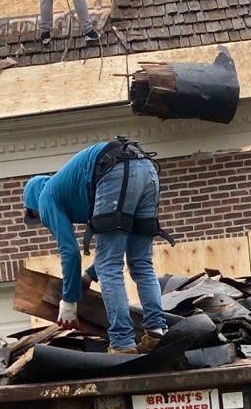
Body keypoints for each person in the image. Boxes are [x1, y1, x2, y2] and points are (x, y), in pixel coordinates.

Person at [23, 138, 171, 354]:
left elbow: (70, 252)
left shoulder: (45, 198)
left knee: (110, 266)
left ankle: (122, 343)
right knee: (141, 263)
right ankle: (157, 332)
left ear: (32, 205)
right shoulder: (74, 189)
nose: (41, 219)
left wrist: (69, 300)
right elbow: (118, 239)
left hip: (113, 170)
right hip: (145, 168)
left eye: (36, 216)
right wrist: (88, 276)